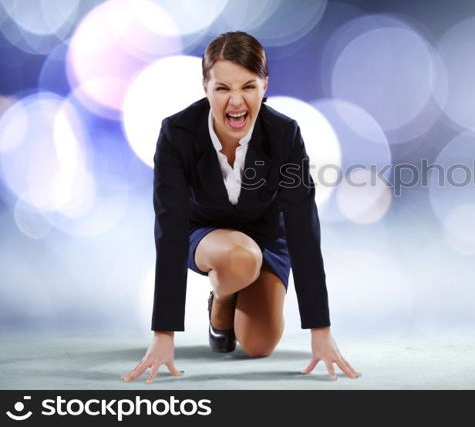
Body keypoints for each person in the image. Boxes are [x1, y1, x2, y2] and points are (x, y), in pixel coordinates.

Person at [122, 31, 359, 383]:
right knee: (240, 256)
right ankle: (221, 299)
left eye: (248, 87)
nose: (236, 101)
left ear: (265, 85)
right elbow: (170, 229)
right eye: (222, 88)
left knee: (259, 345)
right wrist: (163, 335)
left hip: (267, 237)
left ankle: (232, 292)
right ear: (205, 87)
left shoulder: (284, 134)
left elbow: (302, 225)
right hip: (204, 235)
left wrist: (320, 330)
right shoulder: (177, 133)